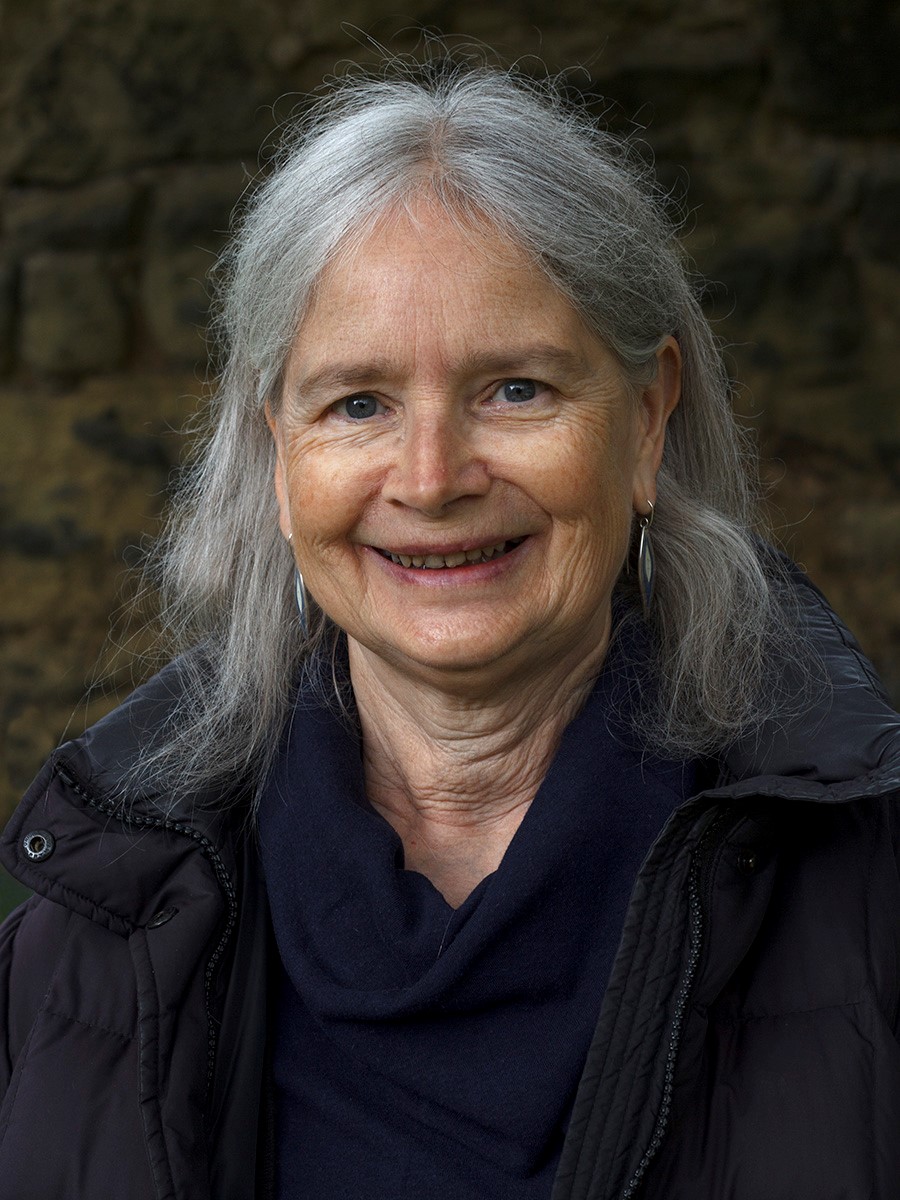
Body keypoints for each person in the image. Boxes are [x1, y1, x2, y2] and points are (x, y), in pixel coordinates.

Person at [1, 60, 898, 1200]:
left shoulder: (871, 896)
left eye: (515, 389)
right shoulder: (91, 934)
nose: (430, 480)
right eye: (358, 404)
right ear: (279, 456)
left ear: (648, 421)